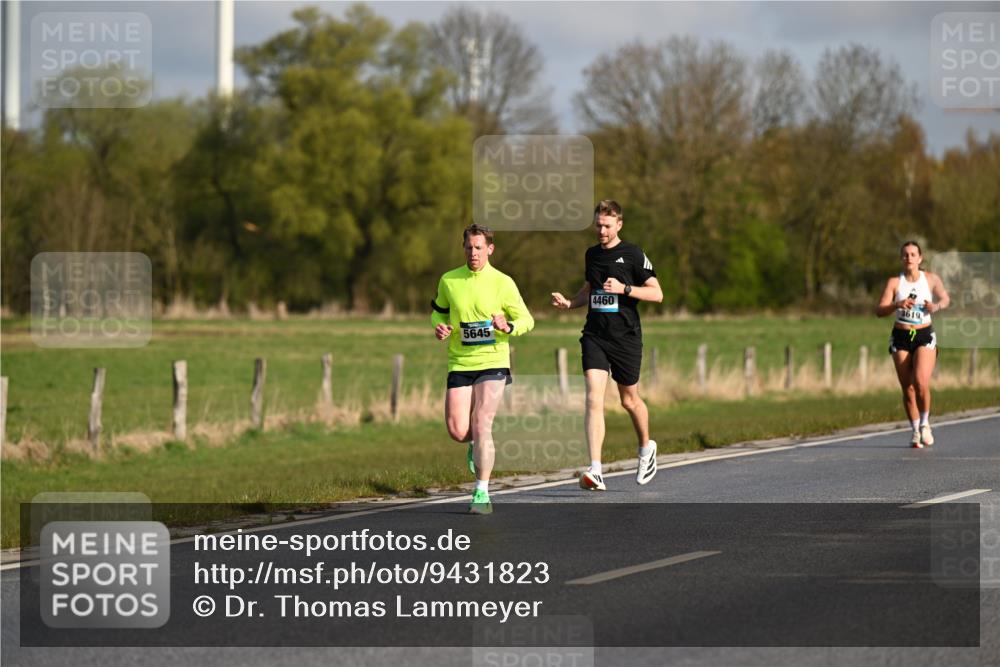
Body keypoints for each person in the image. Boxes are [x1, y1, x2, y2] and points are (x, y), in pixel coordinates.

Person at [550, 200, 663, 491]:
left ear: (619, 225)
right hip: (595, 334)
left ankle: (646, 448)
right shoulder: (592, 255)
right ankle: (596, 470)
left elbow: (657, 293)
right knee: (592, 397)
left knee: (629, 401)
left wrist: (625, 289)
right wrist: (570, 303)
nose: (601, 230)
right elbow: (590, 289)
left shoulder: (634, 254)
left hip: (625, 337)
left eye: (607, 226)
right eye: (598, 225)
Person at [431, 224, 534, 513]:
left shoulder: (503, 282)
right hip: (460, 361)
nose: (473, 253)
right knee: (457, 429)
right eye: (468, 247)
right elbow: (437, 312)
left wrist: (508, 325)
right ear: (463, 248)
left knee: (482, 421)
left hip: (493, 361)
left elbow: (527, 319)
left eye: (479, 247)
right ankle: (476, 444)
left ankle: (481, 494)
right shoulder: (449, 280)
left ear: (490, 249)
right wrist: (438, 327)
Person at [876, 241, 950, 448]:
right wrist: (896, 304)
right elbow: (879, 310)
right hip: (901, 336)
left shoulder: (931, 279)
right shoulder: (894, 283)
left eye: (913, 254)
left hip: (923, 334)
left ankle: (925, 423)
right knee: (907, 388)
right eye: (905, 255)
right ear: (901, 258)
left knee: (920, 381)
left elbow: (945, 299)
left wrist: (935, 306)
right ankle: (915, 429)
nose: (909, 258)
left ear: (920, 258)